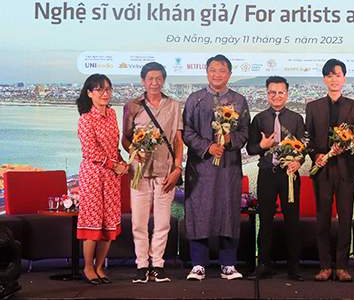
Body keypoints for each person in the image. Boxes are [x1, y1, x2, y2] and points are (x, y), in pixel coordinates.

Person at [183, 54, 250, 281]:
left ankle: (228, 264)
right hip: (200, 168)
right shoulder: (195, 99)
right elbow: (188, 132)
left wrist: (229, 140)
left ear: (229, 74)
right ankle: (198, 264)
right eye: (213, 70)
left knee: (228, 212)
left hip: (228, 168)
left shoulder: (239, 101)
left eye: (222, 70)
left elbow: (245, 133)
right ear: (206, 72)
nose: (217, 74)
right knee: (198, 212)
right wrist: (209, 147)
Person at [122, 62, 183, 283]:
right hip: (139, 172)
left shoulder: (174, 106)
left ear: (164, 80)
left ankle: (157, 264)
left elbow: (177, 140)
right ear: (143, 81)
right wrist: (133, 151)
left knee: (162, 222)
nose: (154, 83)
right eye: (150, 78)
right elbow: (125, 138)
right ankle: (141, 265)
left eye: (158, 78)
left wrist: (178, 168)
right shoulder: (131, 106)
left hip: (165, 171)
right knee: (139, 221)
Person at [305, 59, 354, 282]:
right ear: (324, 80)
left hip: (346, 169)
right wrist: (315, 155)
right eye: (329, 76)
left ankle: (341, 266)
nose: (334, 79)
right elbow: (308, 137)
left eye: (338, 75)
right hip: (322, 169)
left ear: (344, 79)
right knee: (322, 219)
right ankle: (324, 266)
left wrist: (347, 146)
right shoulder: (313, 107)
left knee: (345, 218)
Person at [247, 76, 306, 281]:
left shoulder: (296, 119)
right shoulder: (259, 118)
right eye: (272, 92)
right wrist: (262, 147)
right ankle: (263, 263)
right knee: (265, 219)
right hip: (267, 174)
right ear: (267, 94)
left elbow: (303, 149)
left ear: (287, 95)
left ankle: (294, 265)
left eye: (280, 92)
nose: (276, 96)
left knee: (292, 220)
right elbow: (250, 148)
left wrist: (298, 162)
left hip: (289, 175)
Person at [76, 74, 128, 285]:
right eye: (99, 89)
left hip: (112, 175)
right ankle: (88, 268)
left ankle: (99, 267)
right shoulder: (86, 118)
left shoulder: (113, 114)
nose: (105, 93)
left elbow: (114, 146)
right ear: (89, 93)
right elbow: (90, 150)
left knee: (109, 222)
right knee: (93, 221)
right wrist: (112, 164)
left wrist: (122, 162)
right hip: (93, 175)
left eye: (108, 89)